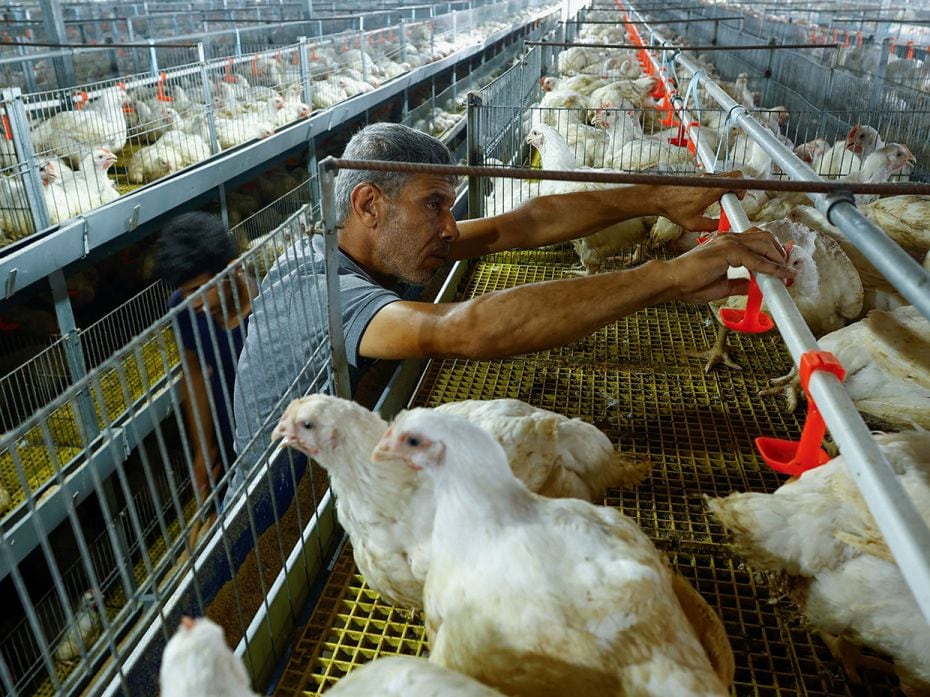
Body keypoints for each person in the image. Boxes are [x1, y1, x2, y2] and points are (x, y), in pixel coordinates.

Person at [229, 122, 796, 496]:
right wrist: (667, 278)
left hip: (344, 469)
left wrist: (657, 195)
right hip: (276, 515)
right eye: (433, 206)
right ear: (369, 204)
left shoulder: (367, 246)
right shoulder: (323, 287)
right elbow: (462, 329)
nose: (449, 227)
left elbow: (518, 225)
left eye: (449, 207)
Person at [154, 212, 253, 502]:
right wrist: (203, 448)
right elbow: (194, 373)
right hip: (225, 420)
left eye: (200, 289)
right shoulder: (183, 309)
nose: (192, 302)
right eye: (185, 292)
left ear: (232, 269)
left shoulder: (267, 304)